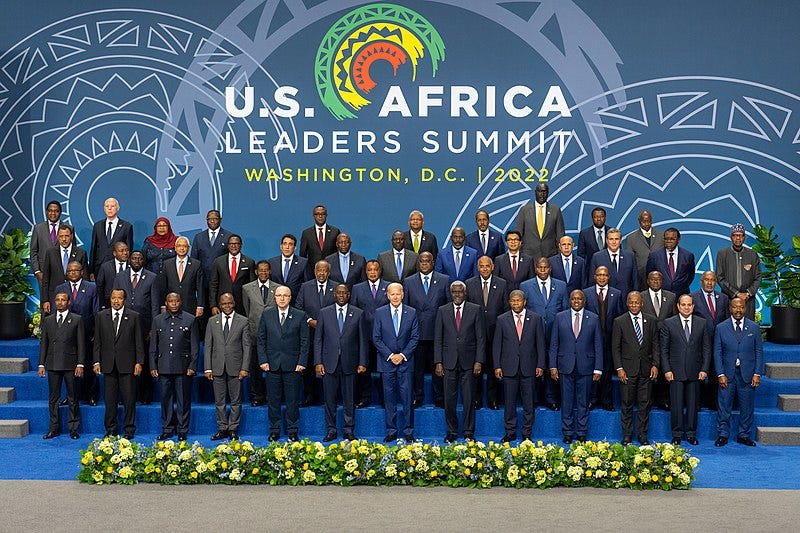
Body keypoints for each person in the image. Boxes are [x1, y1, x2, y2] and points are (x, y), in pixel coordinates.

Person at [314, 284, 368, 441]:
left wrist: (362, 362)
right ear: (334, 295)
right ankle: (331, 429)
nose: (342, 295)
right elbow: (318, 340)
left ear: (349, 295)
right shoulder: (324, 313)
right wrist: (318, 362)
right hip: (328, 363)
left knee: (349, 399)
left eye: (345, 293)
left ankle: (348, 430)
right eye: (339, 293)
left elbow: (363, 341)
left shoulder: (358, 313)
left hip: (350, 363)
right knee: (329, 400)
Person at [434, 281, 485, 442]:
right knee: (449, 399)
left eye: (460, 292)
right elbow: (438, 338)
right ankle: (452, 431)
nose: (457, 295)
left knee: (469, 399)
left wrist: (479, 360)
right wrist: (438, 362)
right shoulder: (442, 311)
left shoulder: (475, 309)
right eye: (454, 292)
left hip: (469, 363)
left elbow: (481, 338)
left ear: (465, 293)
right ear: (451, 293)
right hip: (448, 362)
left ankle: (469, 432)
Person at [549, 290, 603, 444]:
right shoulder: (560, 317)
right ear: (570, 300)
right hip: (565, 366)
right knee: (566, 402)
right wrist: (553, 366)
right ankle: (567, 432)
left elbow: (598, 345)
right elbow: (554, 344)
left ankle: (581, 433)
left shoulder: (593, 318)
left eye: (579, 299)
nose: (576, 301)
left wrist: (598, 368)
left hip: (586, 366)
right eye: (573, 299)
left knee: (583, 402)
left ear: (584, 301)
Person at [493, 290, 545, 442]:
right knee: (509, 404)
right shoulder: (502, 319)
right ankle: (510, 432)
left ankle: (527, 433)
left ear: (524, 302)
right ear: (509, 302)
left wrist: (541, 364)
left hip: (529, 368)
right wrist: (497, 366)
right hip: (508, 368)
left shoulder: (535, 319)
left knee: (529, 404)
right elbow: (497, 345)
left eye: (518, 301)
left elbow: (540, 344)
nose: (516, 303)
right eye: (513, 301)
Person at [258, 286, 309, 442]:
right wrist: (263, 360)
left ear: (290, 297)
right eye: (279, 295)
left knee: (292, 401)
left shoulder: (300, 315)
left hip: (293, 366)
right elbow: (261, 340)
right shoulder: (267, 315)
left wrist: (302, 362)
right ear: (274, 297)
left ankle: (292, 431)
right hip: (272, 365)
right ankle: (274, 430)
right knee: (273, 401)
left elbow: (305, 342)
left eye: (285, 296)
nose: (281, 298)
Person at [93, 288, 144, 439]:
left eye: (119, 298)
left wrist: (139, 362)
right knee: (110, 401)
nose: (116, 301)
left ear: (124, 300)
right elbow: (97, 341)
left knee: (129, 400)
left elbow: (138, 342)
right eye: (113, 298)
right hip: (108, 365)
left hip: (128, 365)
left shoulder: (134, 316)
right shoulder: (101, 316)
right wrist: (96, 361)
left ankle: (129, 429)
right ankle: (111, 430)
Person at [660, 294, 711, 445]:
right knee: (675, 405)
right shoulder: (669, 323)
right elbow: (664, 350)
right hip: (675, 372)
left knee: (693, 405)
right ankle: (676, 434)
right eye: (683, 305)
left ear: (693, 307)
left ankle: (691, 433)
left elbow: (706, 349)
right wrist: (667, 370)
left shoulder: (702, 323)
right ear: (678, 306)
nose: (686, 307)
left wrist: (704, 369)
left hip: (696, 371)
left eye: (689, 305)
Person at [373, 282, 419, 442]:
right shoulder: (379, 313)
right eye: (392, 294)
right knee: (389, 399)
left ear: (403, 294)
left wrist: (403, 355)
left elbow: (415, 338)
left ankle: (408, 431)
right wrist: (391, 355)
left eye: (398, 293)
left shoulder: (412, 313)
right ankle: (391, 431)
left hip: (406, 363)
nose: (395, 297)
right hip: (387, 363)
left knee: (407, 399)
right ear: (387, 295)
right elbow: (376, 338)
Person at [714, 297, 764, 447]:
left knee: (747, 407)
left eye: (741, 307)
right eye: (735, 307)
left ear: (745, 309)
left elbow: (759, 352)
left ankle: (744, 435)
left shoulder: (754, 327)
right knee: (724, 407)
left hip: (747, 374)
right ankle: (723, 435)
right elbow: (717, 352)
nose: (738, 310)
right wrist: (720, 374)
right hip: (727, 375)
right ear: (730, 308)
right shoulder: (721, 328)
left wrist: (757, 373)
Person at [520, 257, 568, 410]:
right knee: (532, 364)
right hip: (532, 333)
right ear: (535, 269)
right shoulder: (525, 286)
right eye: (540, 268)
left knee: (551, 365)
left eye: (545, 268)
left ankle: (551, 398)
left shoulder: (561, 286)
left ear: (550, 269)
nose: (542, 271)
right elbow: (522, 310)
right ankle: (533, 398)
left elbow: (565, 310)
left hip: (555, 332)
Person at [150, 293, 199, 441]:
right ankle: (167, 429)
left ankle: (182, 430)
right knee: (166, 400)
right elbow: (153, 346)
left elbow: (195, 346)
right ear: (166, 303)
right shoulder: (158, 320)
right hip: (163, 366)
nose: (174, 304)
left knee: (183, 400)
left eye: (176, 301)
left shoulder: (190, 319)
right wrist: (153, 365)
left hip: (183, 367)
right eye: (170, 301)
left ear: (180, 302)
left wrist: (193, 365)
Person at [403, 251, 450, 406]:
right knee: (417, 369)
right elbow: (407, 309)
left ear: (433, 262)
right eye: (421, 261)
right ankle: (418, 396)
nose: (424, 264)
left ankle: (439, 397)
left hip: (437, 333)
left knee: (438, 367)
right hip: (417, 333)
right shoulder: (409, 282)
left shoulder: (444, 280)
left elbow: (448, 308)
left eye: (427, 261)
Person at [113, 250, 161, 404]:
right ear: (129, 260)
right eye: (134, 258)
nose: (136, 260)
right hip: (123, 325)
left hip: (145, 326)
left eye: (139, 258)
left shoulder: (152, 277)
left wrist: (153, 327)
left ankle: (145, 397)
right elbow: (114, 298)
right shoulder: (120, 276)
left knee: (144, 361)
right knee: (124, 361)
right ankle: (123, 397)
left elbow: (155, 304)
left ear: (143, 261)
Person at [612, 292, 659, 445]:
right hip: (627, 371)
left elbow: (655, 345)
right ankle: (627, 435)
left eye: (636, 303)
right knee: (627, 404)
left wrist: (655, 365)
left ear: (642, 303)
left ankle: (642, 435)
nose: (634, 305)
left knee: (644, 405)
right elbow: (615, 348)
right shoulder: (619, 321)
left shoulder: (651, 320)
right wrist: (619, 368)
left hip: (646, 370)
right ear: (627, 303)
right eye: (631, 302)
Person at [38, 292, 85, 439]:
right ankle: (54, 428)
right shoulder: (48, 320)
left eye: (63, 300)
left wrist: (80, 363)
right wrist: (41, 364)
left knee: (72, 397)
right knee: (53, 398)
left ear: (68, 302)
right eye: (57, 300)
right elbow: (44, 344)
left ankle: (73, 428)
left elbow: (81, 344)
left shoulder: (77, 320)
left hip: (71, 364)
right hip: (52, 364)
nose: (59, 302)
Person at [205, 293, 251, 441]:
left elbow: (247, 346)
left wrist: (245, 368)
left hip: (236, 367)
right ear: (220, 304)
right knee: (219, 401)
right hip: (217, 367)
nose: (227, 306)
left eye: (229, 303)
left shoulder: (243, 321)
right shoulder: (212, 321)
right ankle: (222, 428)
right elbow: (208, 346)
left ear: (234, 303)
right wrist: (208, 368)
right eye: (224, 304)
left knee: (236, 400)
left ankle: (233, 428)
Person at [465, 256, 508, 410]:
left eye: (487, 266)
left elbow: (505, 309)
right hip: (473, 335)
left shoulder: (501, 284)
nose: (484, 269)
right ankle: (476, 400)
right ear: (478, 268)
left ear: (492, 267)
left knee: (492, 369)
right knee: (475, 370)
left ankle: (492, 399)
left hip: (494, 334)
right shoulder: (470, 284)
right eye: (481, 266)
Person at [55, 261, 99, 405]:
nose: (72, 273)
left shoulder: (92, 288)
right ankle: (70, 396)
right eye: (69, 271)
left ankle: (90, 395)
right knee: (69, 368)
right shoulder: (60, 288)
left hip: (87, 334)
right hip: (67, 336)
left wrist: (95, 332)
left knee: (87, 365)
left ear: (81, 272)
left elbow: (96, 312)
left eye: (75, 270)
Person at [241, 260, 283, 407]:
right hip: (254, 334)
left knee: (274, 368)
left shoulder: (278, 289)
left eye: (266, 270)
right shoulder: (247, 288)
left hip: (274, 335)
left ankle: (273, 396)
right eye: (261, 270)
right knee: (255, 368)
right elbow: (247, 310)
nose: (264, 273)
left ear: (270, 272)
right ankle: (257, 396)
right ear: (256, 272)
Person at [295, 259, 336, 406]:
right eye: (319, 270)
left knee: (331, 364)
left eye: (324, 270)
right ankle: (310, 396)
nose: (321, 273)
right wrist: (309, 320)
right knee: (309, 366)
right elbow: (299, 307)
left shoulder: (336, 287)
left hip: (331, 333)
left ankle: (330, 397)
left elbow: (340, 306)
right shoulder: (305, 287)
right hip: (310, 332)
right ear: (314, 271)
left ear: (329, 272)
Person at [583, 266, 624, 411]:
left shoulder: (617, 294)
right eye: (599, 275)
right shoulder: (586, 293)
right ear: (594, 277)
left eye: (605, 275)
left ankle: (607, 401)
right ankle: (592, 399)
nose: (602, 277)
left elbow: (619, 318)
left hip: (609, 339)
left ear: (609, 277)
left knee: (606, 371)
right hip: (590, 340)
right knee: (592, 370)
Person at [351, 260, 390, 408]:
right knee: (363, 369)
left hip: (384, 337)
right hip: (364, 336)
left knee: (384, 370)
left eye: (375, 270)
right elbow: (353, 313)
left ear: (380, 271)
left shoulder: (388, 287)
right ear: (366, 272)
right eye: (369, 270)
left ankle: (384, 399)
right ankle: (364, 398)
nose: (372, 272)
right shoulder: (357, 288)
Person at [692, 271, 730, 409]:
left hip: (718, 342)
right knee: (700, 372)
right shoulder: (693, 298)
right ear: (701, 281)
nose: (709, 282)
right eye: (706, 279)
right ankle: (698, 402)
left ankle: (713, 402)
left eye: (712, 280)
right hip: (700, 343)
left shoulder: (724, 298)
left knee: (716, 372)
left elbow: (726, 320)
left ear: (716, 282)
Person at [640, 270, 677, 411]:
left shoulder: (671, 297)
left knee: (664, 370)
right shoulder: (641, 296)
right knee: (647, 371)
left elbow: (674, 319)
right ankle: (647, 400)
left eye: (658, 280)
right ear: (648, 281)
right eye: (652, 279)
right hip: (646, 340)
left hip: (666, 339)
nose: (655, 282)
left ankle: (663, 400)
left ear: (662, 281)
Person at [715, 223, 761, 320]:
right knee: (728, 327)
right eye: (735, 235)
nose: (738, 238)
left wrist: (747, 293)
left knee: (747, 328)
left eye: (740, 235)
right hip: (728, 298)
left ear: (744, 237)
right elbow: (720, 277)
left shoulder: (752, 254)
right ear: (731, 237)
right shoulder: (722, 254)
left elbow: (758, 277)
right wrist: (736, 293)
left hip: (748, 300)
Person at [40, 224, 88, 314]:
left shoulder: (81, 253)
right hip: (55, 297)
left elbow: (85, 277)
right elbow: (46, 279)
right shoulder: (50, 253)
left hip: (75, 297)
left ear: (72, 236)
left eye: (66, 236)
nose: (64, 239)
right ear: (58, 237)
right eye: (61, 236)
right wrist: (45, 300)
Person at [190, 209, 231, 312]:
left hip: (222, 282)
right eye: (210, 219)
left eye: (215, 219)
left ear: (220, 220)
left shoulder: (228, 236)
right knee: (204, 314)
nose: (212, 221)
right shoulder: (199, 237)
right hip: (203, 282)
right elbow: (194, 260)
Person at [515, 182, 565, 261]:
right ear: (535, 192)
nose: (542, 194)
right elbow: (518, 234)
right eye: (540, 191)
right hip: (528, 256)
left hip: (551, 256)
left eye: (544, 191)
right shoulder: (524, 210)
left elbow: (560, 235)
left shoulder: (556, 210)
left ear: (548, 193)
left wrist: (559, 256)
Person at [209, 234, 256, 315]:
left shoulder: (249, 262)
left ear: (241, 245)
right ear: (228, 245)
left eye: (236, 244)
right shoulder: (218, 261)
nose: (233, 246)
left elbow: (252, 286)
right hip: (223, 305)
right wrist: (213, 305)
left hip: (242, 305)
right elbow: (213, 285)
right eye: (231, 244)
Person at [159, 236, 204, 317]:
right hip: (171, 305)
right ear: (175, 248)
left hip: (190, 305)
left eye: (184, 246)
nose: (182, 248)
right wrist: (163, 305)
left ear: (188, 248)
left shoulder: (196, 264)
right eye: (179, 246)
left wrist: (200, 306)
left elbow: (200, 287)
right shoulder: (167, 264)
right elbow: (163, 287)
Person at [89, 197, 134, 278]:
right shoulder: (97, 225)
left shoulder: (126, 226)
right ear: (104, 208)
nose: (109, 208)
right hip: (99, 267)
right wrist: (91, 270)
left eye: (112, 206)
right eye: (107, 206)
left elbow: (129, 249)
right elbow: (94, 248)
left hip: (119, 268)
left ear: (118, 208)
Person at [645, 228, 695, 297]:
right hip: (661, 296)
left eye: (672, 239)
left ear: (678, 240)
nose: (669, 241)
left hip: (682, 295)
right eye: (666, 239)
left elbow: (690, 275)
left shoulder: (688, 256)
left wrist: (680, 285)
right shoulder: (654, 256)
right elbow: (649, 275)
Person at [590, 227, 638, 296]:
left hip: (626, 300)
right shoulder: (597, 257)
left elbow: (635, 281)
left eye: (617, 239)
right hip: (606, 300)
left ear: (620, 240)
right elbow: (592, 282)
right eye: (611, 239)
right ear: (606, 240)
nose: (614, 242)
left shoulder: (630, 256)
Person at [30, 200, 63, 298]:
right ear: (46, 212)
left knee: (62, 301)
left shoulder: (67, 228)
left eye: (56, 211)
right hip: (43, 273)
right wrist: (37, 271)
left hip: (62, 273)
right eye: (50, 210)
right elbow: (33, 251)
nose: (53, 213)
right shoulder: (38, 228)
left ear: (60, 213)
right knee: (45, 302)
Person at [625, 209, 664, 290]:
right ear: (639, 221)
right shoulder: (631, 238)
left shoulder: (661, 235)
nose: (646, 223)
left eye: (649, 221)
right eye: (644, 221)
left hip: (660, 276)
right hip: (641, 278)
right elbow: (629, 260)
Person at [299, 204, 340, 278]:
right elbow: (303, 256)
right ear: (313, 216)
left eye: (322, 214)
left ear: (326, 215)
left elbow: (338, 254)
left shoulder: (335, 231)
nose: (320, 216)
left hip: (331, 273)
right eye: (317, 214)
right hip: (312, 274)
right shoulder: (306, 233)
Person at [267, 234, 308, 305]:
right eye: (285, 244)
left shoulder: (303, 263)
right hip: (276, 303)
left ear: (295, 248)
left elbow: (307, 285)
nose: (287, 247)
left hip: (296, 303)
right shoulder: (272, 262)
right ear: (281, 246)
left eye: (290, 244)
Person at [96, 241, 129, 308]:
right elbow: (100, 288)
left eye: (127, 250)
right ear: (114, 253)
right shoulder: (105, 267)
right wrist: (102, 305)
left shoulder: (132, 266)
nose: (125, 253)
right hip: (109, 304)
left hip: (128, 304)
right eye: (121, 251)